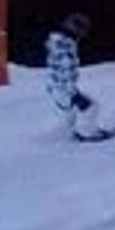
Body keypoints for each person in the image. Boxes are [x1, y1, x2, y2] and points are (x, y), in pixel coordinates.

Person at [45, 12, 102, 140]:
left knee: (71, 112)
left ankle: (68, 133)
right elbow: (65, 70)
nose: (83, 35)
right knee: (91, 107)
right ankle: (87, 133)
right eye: (82, 31)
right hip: (64, 88)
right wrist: (71, 92)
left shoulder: (59, 42)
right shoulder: (65, 45)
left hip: (58, 87)